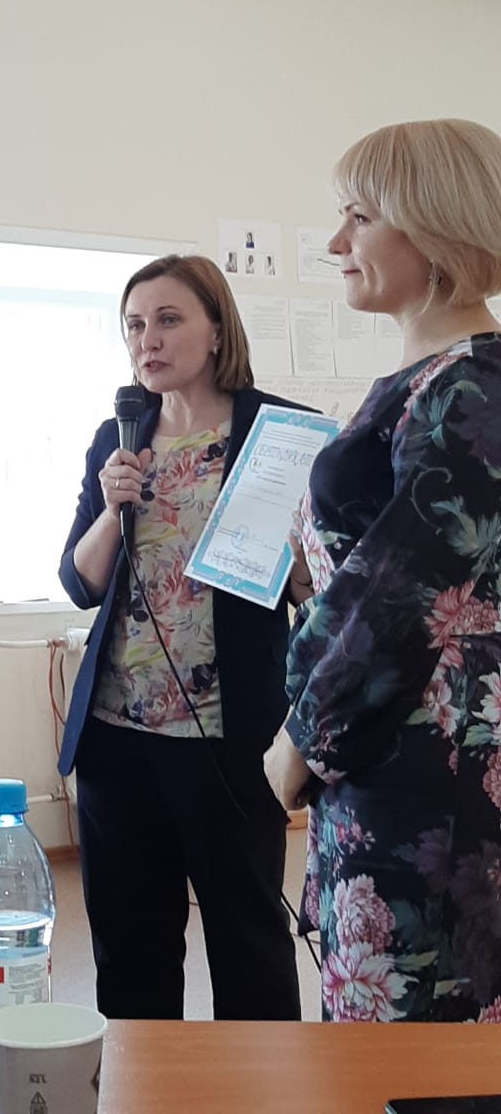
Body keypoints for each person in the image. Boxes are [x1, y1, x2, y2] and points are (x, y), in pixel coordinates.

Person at [264, 118, 501, 1023]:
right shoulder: (433, 378)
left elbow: (402, 597)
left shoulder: (473, 387)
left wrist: (296, 744)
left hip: (425, 783)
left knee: (414, 1049)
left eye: (359, 218)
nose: (336, 243)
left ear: (434, 228)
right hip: (387, 761)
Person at [58, 254, 303, 1021]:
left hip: (229, 737)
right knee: (130, 949)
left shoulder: (278, 434)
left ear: (217, 328)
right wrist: (112, 507)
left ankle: (254, 1084)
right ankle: (144, 1082)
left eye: (168, 319)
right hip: (116, 735)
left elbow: (315, 586)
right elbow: (80, 581)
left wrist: (302, 561)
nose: (148, 340)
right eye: (134, 325)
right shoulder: (118, 437)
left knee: (248, 941)